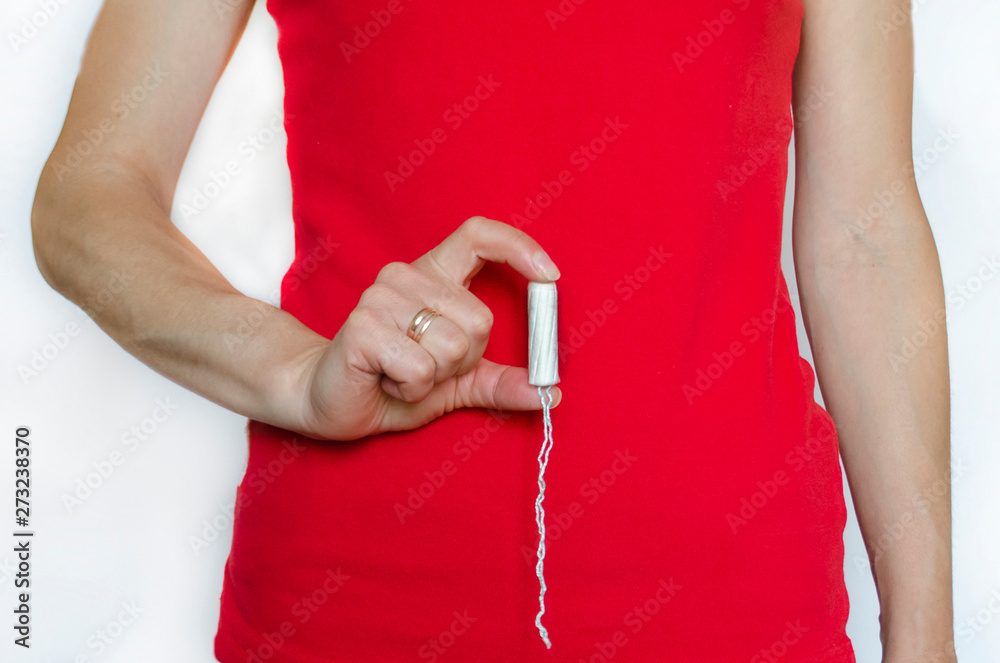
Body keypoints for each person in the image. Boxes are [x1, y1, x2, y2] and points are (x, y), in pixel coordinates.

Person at [31, 0, 956, 661]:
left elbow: (862, 233)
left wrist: (925, 634)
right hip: (353, 600)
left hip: (736, 604)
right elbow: (91, 193)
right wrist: (289, 371)